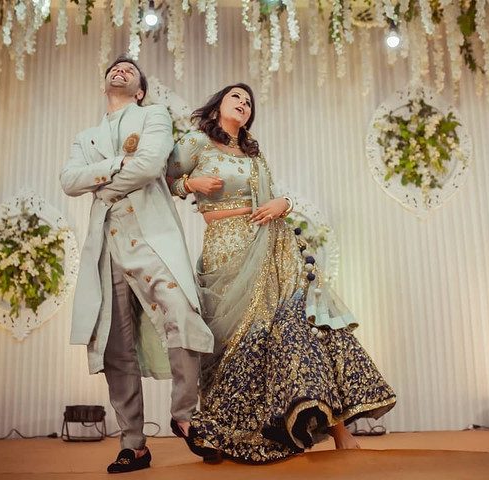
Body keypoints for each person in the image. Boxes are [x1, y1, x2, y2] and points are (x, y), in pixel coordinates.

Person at [166, 83, 397, 463]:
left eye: (248, 101)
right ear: (217, 105)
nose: (243, 103)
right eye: (235, 97)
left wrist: (284, 203)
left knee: (302, 326)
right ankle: (229, 429)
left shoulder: (254, 154)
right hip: (225, 249)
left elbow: (273, 194)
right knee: (237, 340)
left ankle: (338, 428)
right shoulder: (197, 143)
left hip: (273, 247)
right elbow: (164, 181)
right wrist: (191, 183)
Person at [60, 55, 214, 473]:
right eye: (115, 67)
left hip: (151, 237)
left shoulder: (153, 116)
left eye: (130, 69)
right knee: (116, 344)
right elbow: (69, 181)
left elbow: (148, 165)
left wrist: (103, 188)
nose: (121, 69)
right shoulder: (85, 137)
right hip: (107, 244)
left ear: (140, 90)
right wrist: (115, 164)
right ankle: (134, 444)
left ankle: (184, 414)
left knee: (182, 313)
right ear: (105, 84)